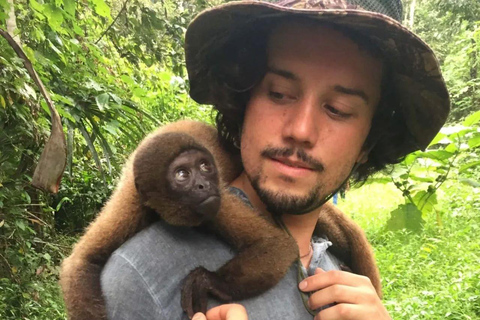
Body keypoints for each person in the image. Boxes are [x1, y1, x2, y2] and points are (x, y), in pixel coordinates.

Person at [101, 1, 450, 319]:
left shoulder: (348, 281)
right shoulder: (142, 277)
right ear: (244, 101)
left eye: (338, 109)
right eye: (280, 94)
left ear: (367, 143)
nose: (301, 129)